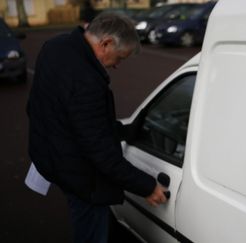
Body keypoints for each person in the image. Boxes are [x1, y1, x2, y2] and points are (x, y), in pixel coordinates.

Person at [27, 12, 167, 243]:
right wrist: (148, 186)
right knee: (91, 233)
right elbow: (102, 155)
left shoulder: (55, 46)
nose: (118, 66)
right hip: (81, 179)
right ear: (106, 43)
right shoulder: (86, 81)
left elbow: (42, 107)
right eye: (120, 57)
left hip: (52, 159)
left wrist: (122, 130)